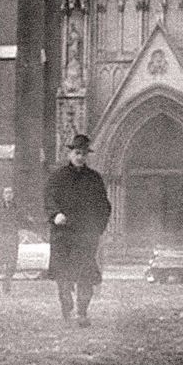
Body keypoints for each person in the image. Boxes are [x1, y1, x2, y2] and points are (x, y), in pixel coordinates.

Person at [45, 134, 111, 327]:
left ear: (87, 155)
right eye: (76, 153)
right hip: (63, 235)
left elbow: (104, 206)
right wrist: (55, 214)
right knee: (63, 276)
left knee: (85, 276)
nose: (80, 157)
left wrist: (98, 228)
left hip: (85, 236)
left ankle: (82, 313)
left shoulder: (94, 179)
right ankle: (67, 311)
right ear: (70, 153)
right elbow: (48, 199)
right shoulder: (57, 177)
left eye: (83, 153)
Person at [0, 186, 26, 294]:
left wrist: (20, 232)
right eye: (6, 193)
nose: (8, 195)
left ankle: (7, 280)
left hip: (12, 237)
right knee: (3, 262)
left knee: (12, 264)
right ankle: (5, 286)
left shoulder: (17, 208)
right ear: (3, 195)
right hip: (2, 237)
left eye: (10, 193)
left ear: (13, 195)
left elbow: (21, 221)